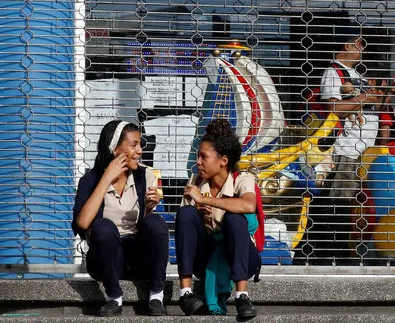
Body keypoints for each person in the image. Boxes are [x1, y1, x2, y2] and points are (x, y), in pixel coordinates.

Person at [72, 120, 168, 317]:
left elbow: (148, 228)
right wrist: (107, 178)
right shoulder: (90, 180)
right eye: (134, 145)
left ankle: (157, 295)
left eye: (140, 144)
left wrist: (149, 208)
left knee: (156, 222)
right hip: (106, 259)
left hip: (137, 258)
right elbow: (82, 223)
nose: (140, 150)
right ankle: (114, 298)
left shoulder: (145, 175)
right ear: (114, 149)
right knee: (103, 227)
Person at [308, 24, 381, 262]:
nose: (362, 48)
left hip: (364, 152)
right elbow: (334, 108)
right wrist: (363, 97)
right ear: (347, 44)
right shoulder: (334, 73)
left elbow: (371, 104)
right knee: (340, 204)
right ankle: (334, 256)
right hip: (347, 151)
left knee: (355, 205)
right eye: (360, 43)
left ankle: (348, 251)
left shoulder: (355, 75)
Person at [175, 119, 259, 319]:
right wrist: (196, 208)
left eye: (204, 157)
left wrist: (207, 200)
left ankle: (242, 295)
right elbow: (185, 225)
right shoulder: (196, 182)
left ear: (223, 160)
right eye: (198, 156)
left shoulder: (242, 179)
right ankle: (185, 293)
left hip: (241, 256)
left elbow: (248, 205)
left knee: (235, 220)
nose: (198, 161)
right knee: (186, 213)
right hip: (205, 255)